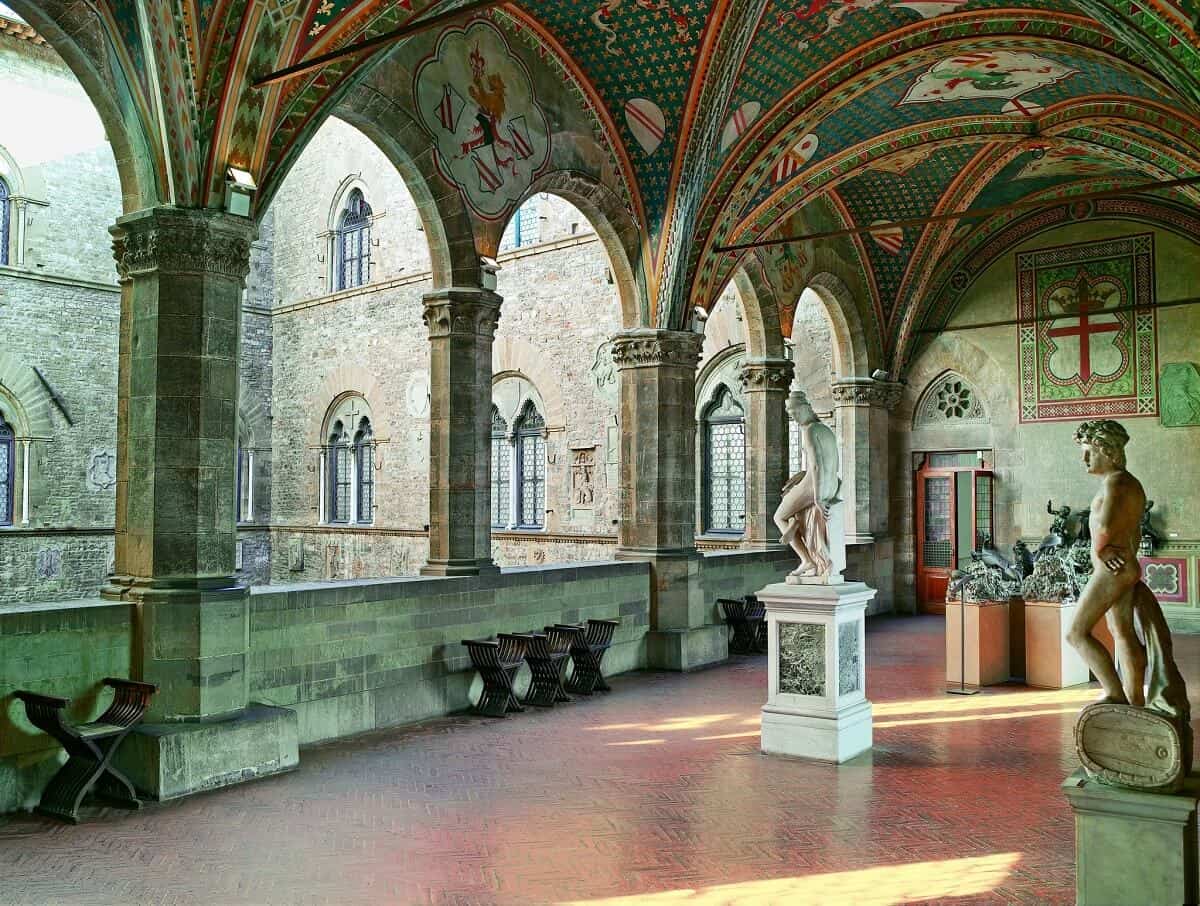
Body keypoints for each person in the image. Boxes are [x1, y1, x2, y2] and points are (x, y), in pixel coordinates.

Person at [1065, 420, 1148, 705]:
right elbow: (1133, 530)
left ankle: (1115, 693)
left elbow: (1106, 525)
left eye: (1090, 451)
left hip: (1112, 570)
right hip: (1124, 567)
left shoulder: (1115, 483)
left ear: (1109, 451)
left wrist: (1101, 551)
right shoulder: (1129, 483)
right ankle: (1136, 699)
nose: (1084, 458)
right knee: (1122, 633)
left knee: (1076, 633)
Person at [774, 391, 840, 579]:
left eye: (795, 411)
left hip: (814, 487)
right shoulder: (826, 430)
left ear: (807, 408)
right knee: (790, 492)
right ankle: (796, 520)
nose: (793, 416)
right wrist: (803, 475)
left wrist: (818, 498)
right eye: (790, 413)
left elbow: (817, 465)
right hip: (830, 485)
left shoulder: (810, 430)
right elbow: (832, 464)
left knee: (778, 517)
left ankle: (806, 559)